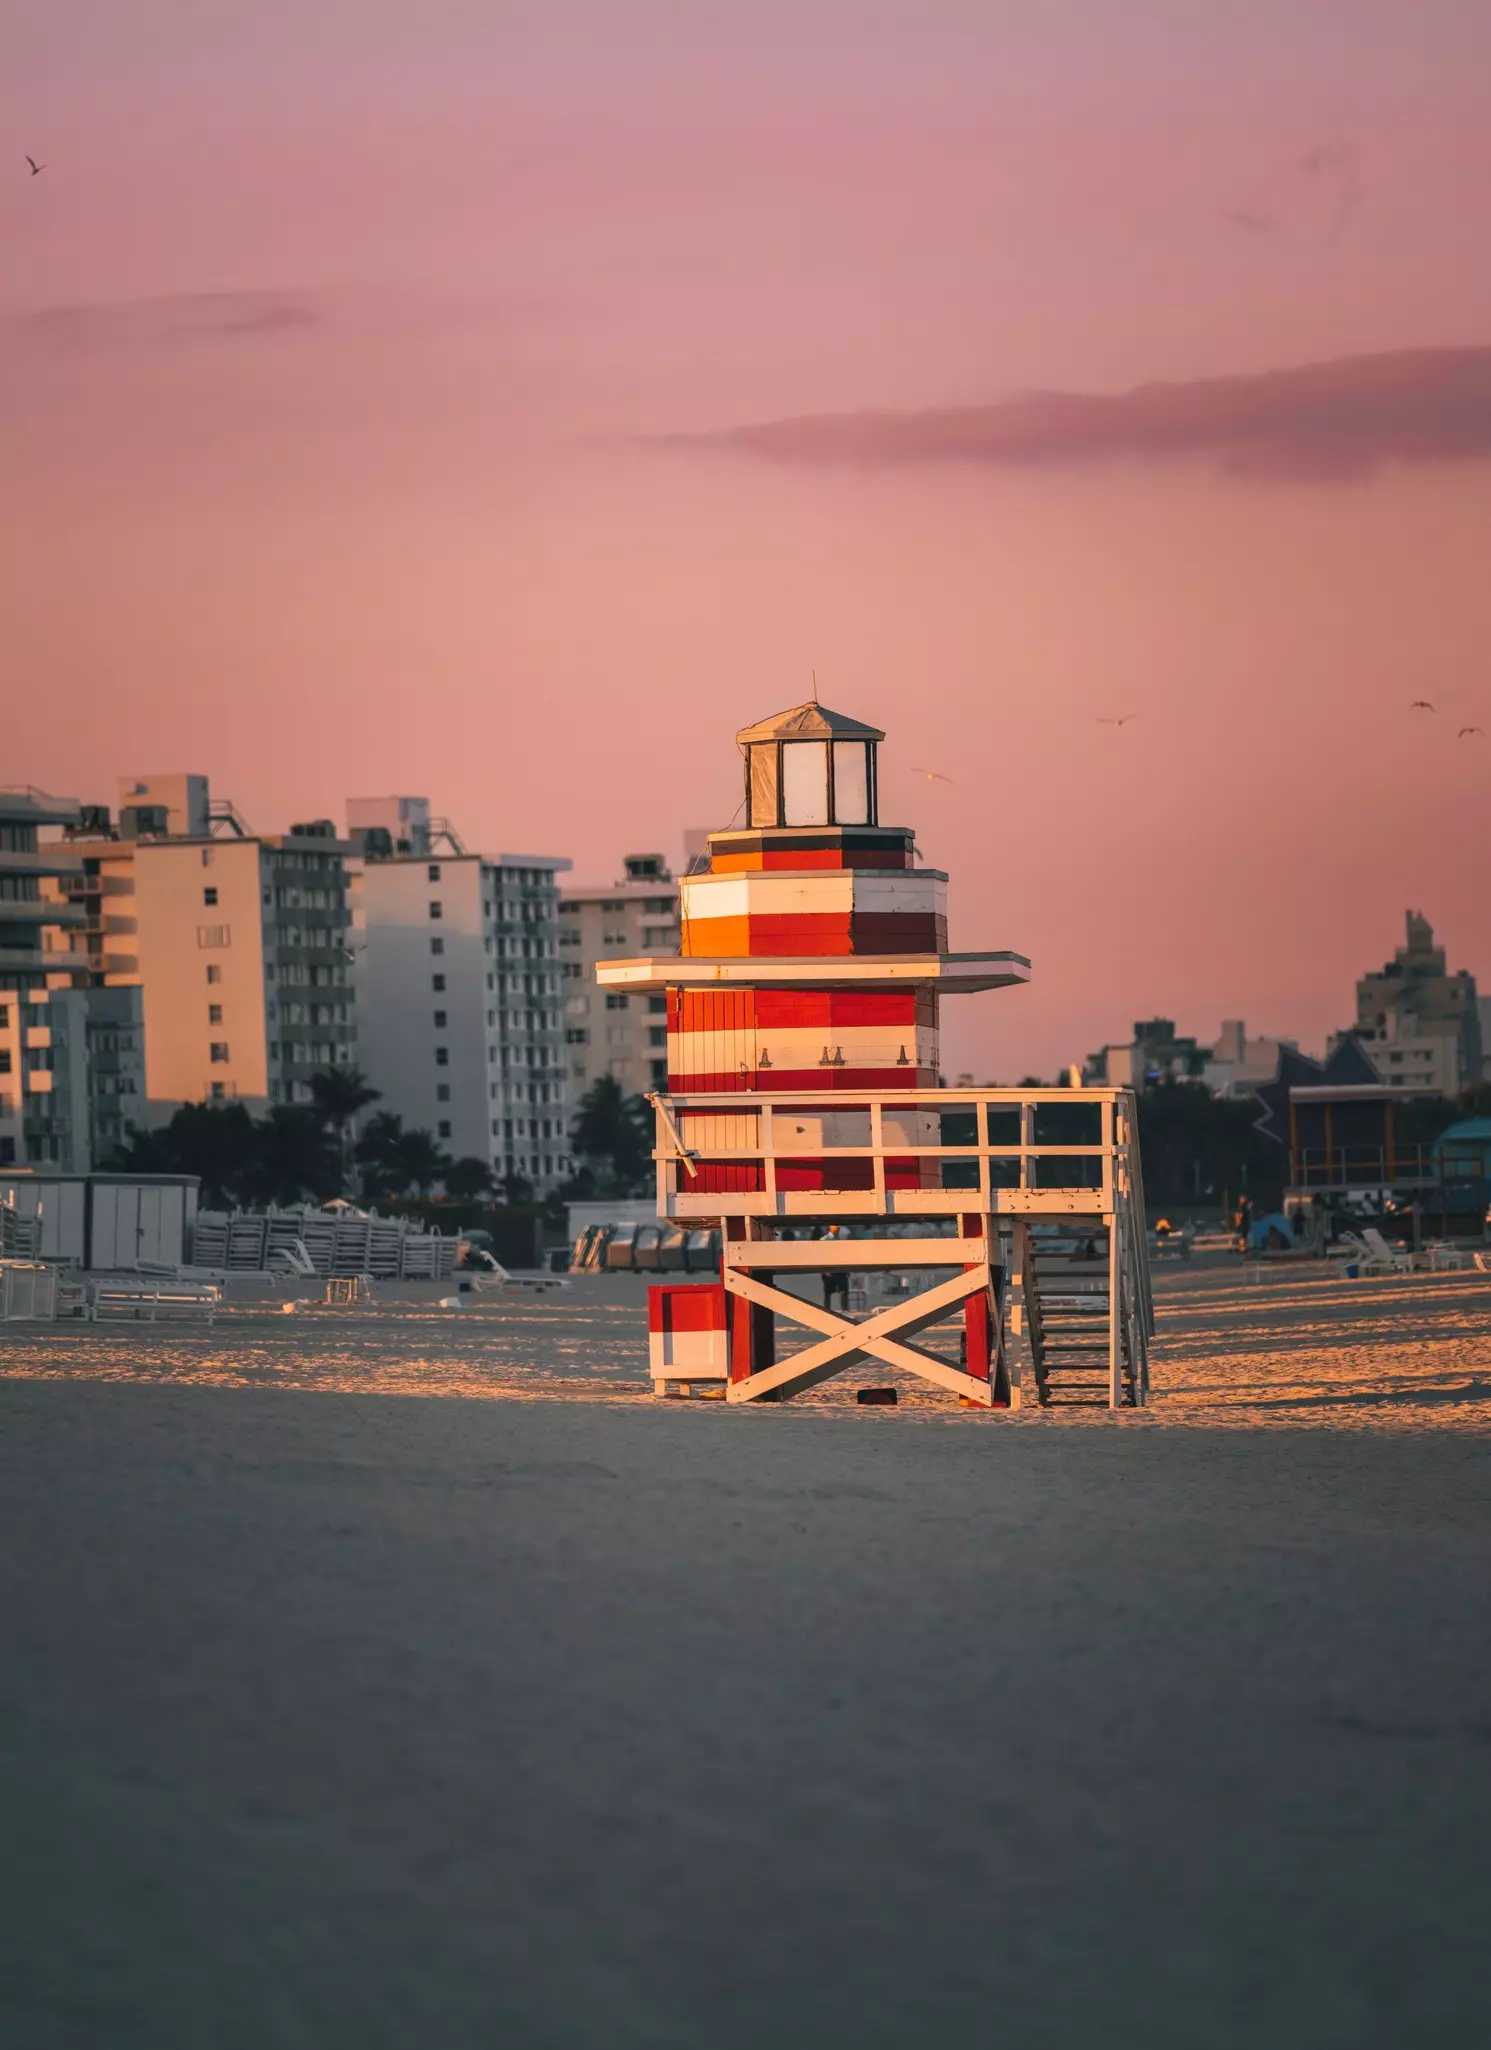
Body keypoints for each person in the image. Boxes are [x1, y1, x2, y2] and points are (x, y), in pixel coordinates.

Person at [821, 1222, 851, 1313]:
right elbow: (822, 1256)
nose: (837, 1228)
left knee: (844, 1291)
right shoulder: (824, 1240)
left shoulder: (841, 1240)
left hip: (841, 1270)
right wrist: (825, 1270)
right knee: (828, 1292)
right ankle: (827, 1310)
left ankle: (845, 1310)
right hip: (829, 1270)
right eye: (835, 1226)